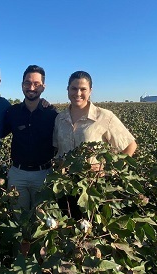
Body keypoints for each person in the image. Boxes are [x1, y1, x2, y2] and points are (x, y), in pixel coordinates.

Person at [53, 70, 137, 218]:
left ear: (90, 91)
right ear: (67, 89)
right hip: (65, 185)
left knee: (90, 230)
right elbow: (56, 149)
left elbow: (130, 145)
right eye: (73, 88)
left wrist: (110, 169)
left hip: (92, 187)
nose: (78, 93)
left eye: (83, 89)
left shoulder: (104, 116)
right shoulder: (60, 118)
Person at [3, 65, 58, 212]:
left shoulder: (52, 114)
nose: (31, 87)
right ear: (22, 85)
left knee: (42, 221)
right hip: (17, 174)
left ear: (43, 87)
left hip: (44, 174)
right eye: (27, 83)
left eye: (36, 84)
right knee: (18, 218)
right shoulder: (12, 112)